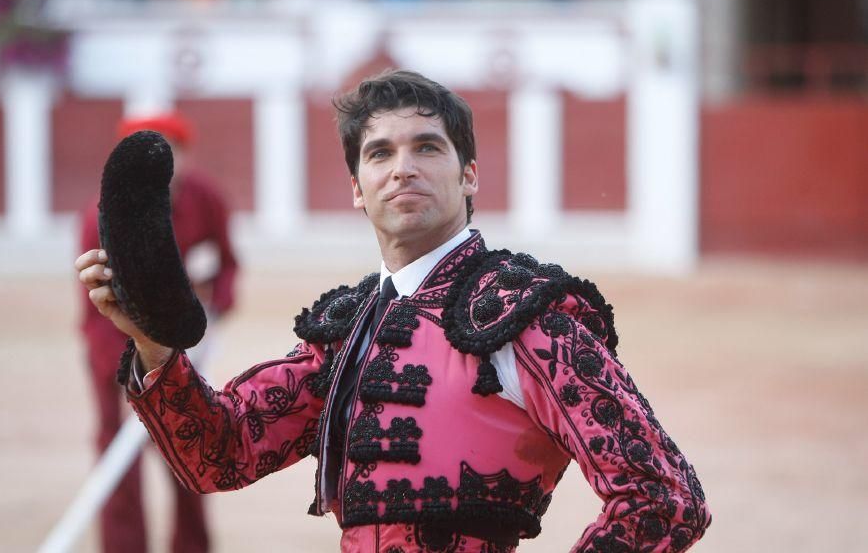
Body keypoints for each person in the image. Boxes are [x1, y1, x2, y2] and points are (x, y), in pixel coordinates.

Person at [76, 71, 710, 552]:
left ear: (469, 176)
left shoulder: (528, 319)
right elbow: (223, 453)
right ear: (357, 187)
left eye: (427, 148)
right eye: (379, 153)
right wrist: (155, 346)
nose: (402, 169)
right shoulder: (349, 329)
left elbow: (663, 497)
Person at [78, 111, 238, 553]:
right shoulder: (101, 217)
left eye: (169, 149)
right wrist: (135, 369)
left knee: (186, 442)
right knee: (118, 453)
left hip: (183, 345)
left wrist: (217, 311)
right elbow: (98, 306)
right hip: (113, 344)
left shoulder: (206, 197)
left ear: (183, 155)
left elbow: (227, 264)